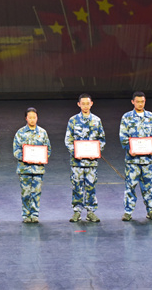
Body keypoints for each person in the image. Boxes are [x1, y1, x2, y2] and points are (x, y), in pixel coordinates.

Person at [64, 94, 106, 223]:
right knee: (77, 186)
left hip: (91, 162)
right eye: (83, 104)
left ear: (91, 103)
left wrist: (97, 152)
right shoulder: (73, 120)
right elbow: (68, 140)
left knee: (90, 187)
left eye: (88, 103)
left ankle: (91, 212)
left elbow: (102, 139)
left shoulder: (97, 120)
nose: (85, 106)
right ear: (79, 104)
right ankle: (77, 211)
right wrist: (75, 152)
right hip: (77, 162)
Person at [120, 91, 152, 221]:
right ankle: (128, 212)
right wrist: (129, 148)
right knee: (130, 187)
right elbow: (123, 136)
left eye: (142, 101)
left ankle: (151, 211)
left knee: (148, 187)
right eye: (137, 101)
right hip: (132, 160)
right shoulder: (127, 117)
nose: (140, 104)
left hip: (147, 160)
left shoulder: (150, 116)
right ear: (133, 102)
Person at [13, 107, 52, 223]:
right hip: (24, 168)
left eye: (34, 117)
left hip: (38, 169)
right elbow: (16, 150)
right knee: (25, 193)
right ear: (26, 118)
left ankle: (35, 214)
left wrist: (42, 158)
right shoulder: (20, 133)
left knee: (36, 193)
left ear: (37, 118)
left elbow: (48, 150)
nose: (32, 119)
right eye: (30, 117)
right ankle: (26, 215)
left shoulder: (42, 132)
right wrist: (25, 158)